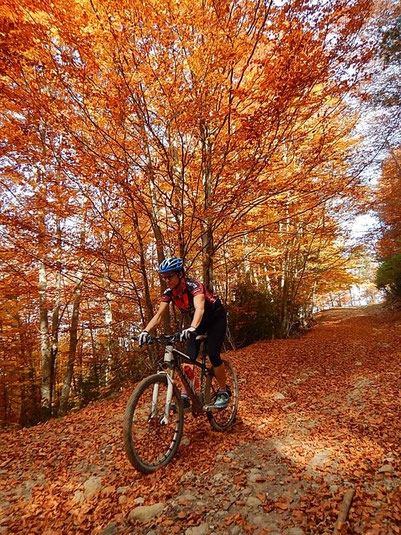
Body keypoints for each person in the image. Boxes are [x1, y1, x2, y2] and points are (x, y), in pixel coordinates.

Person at [138, 257, 230, 409]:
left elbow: (200, 308)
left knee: (213, 353)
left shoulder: (194, 286)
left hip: (215, 319)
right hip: (198, 323)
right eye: (164, 277)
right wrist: (145, 331)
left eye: (170, 276)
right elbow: (159, 315)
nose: (166, 280)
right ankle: (187, 395)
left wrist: (192, 327)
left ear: (180, 274)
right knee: (188, 358)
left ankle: (223, 391)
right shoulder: (169, 293)